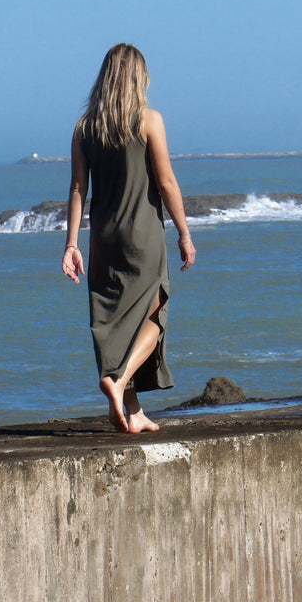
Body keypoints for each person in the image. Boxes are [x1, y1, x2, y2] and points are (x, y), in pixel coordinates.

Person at [61, 43, 196, 432]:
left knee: (118, 320)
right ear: (139, 77)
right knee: (154, 315)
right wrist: (185, 233)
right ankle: (118, 380)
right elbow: (167, 182)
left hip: (103, 237)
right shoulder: (149, 120)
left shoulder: (84, 128)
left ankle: (130, 412)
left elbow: (76, 189)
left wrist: (71, 245)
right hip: (142, 235)